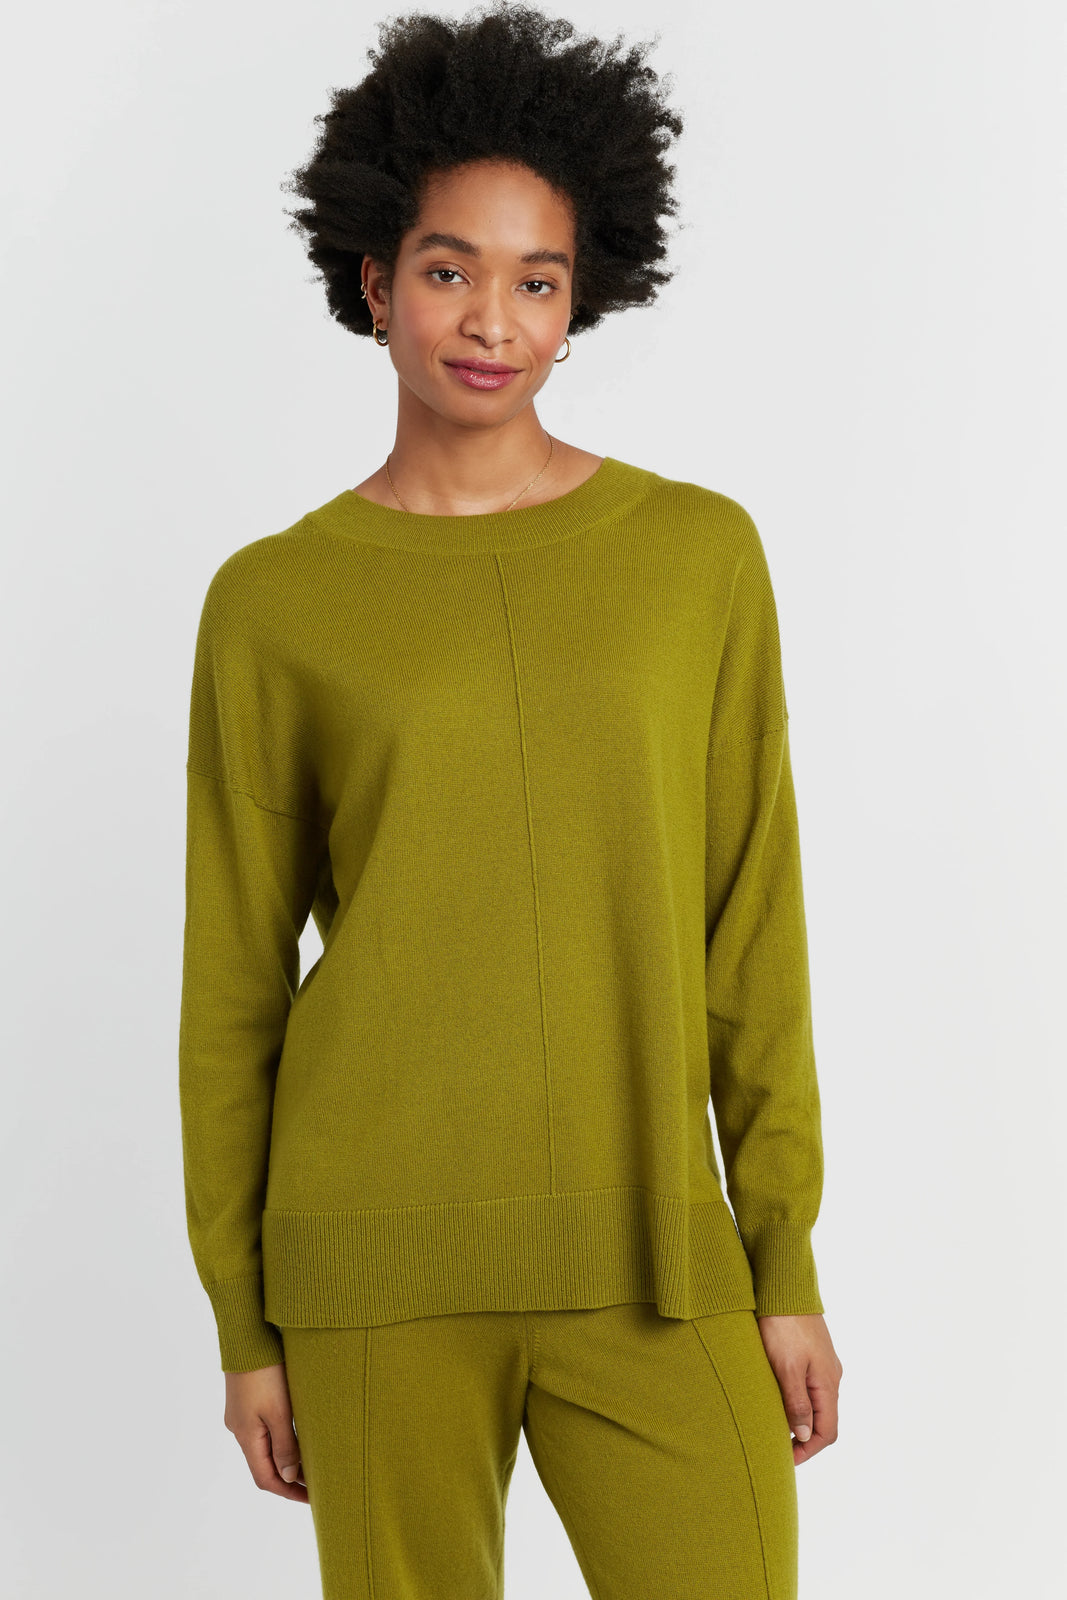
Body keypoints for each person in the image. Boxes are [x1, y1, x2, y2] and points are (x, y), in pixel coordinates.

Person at [178, 4, 843, 1596]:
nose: (492, 321)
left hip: (656, 1255)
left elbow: (750, 932)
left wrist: (783, 1258)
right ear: (374, 280)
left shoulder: (695, 557)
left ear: (581, 296)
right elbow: (233, 990)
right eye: (449, 270)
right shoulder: (275, 600)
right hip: (373, 1262)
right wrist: (245, 1324)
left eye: (537, 281)